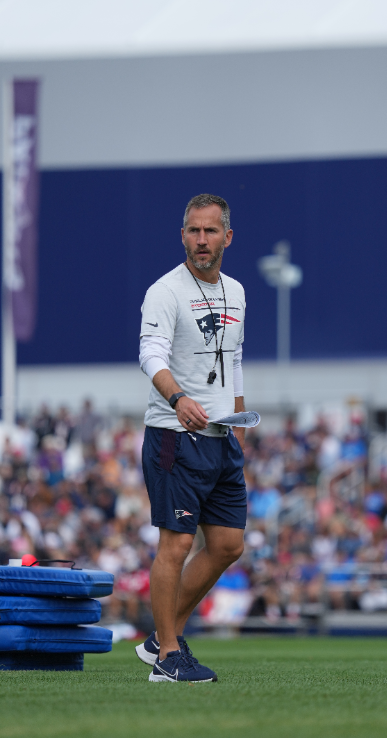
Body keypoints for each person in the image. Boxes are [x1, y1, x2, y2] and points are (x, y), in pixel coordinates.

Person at [135, 194, 246, 683]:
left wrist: (238, 418)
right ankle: (166, 658)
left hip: (222, 437)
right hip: (174, 434)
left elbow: (234, 359)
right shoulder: (165, 290)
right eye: (193, 231)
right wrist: (179, 398)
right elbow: (150, 355)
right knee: (175, 546)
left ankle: (163, 636)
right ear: (183, 235)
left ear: (227, 236)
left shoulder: (238, 291)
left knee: (228, 544)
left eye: (210, 231)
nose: (202, 240)